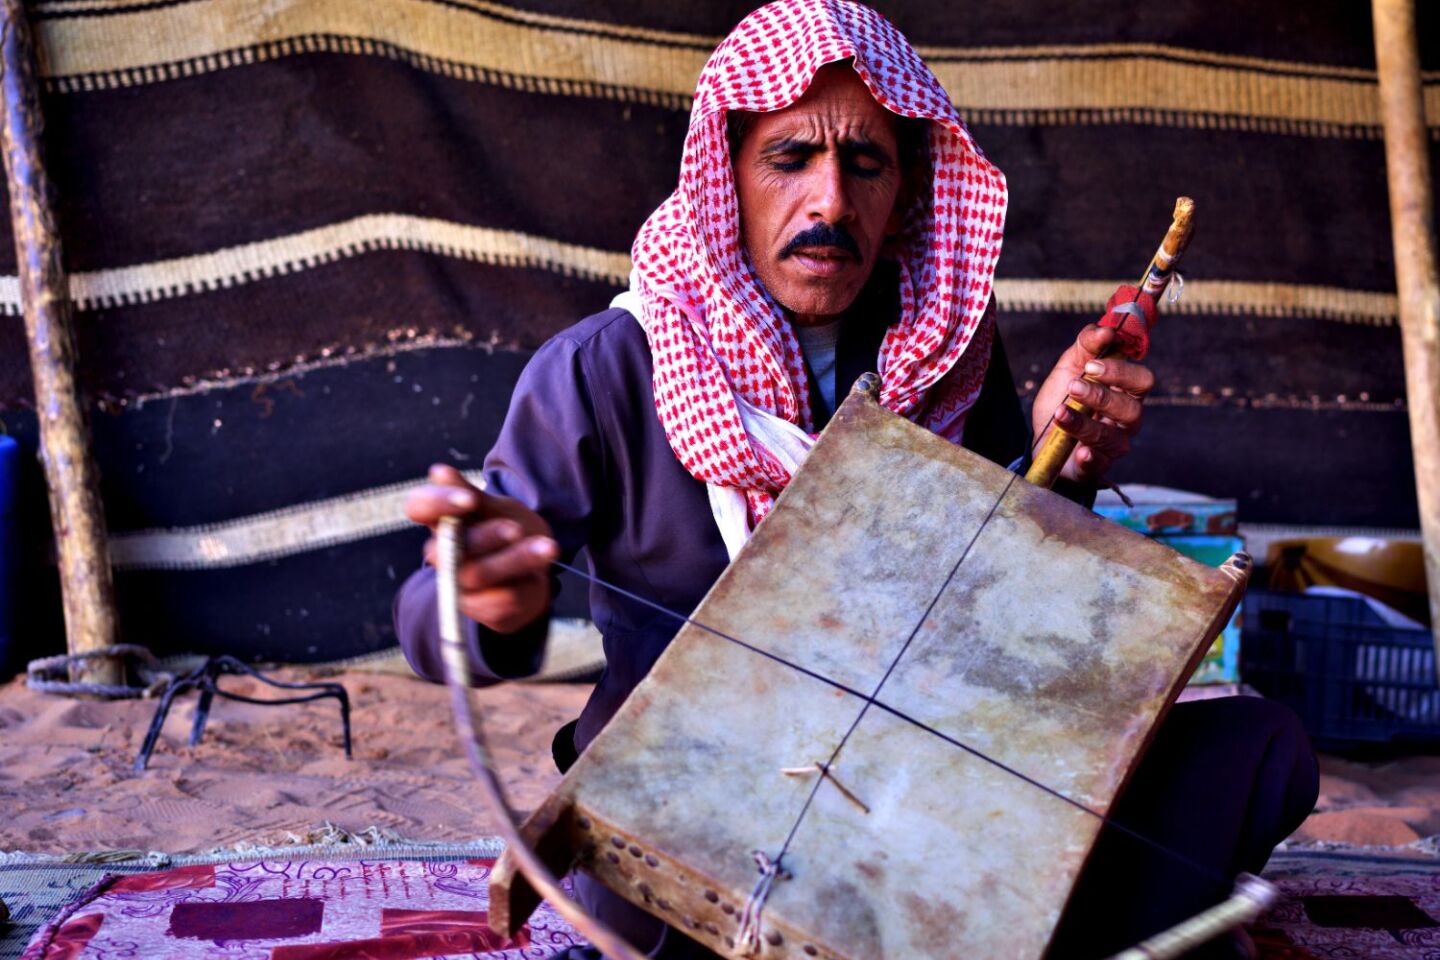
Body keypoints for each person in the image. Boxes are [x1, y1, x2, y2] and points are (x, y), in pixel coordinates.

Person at [395, 2, 1317, 957]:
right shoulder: (608, 366)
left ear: (905, 192)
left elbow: (998, 606)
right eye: (790, 159)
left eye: (865, 165)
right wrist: (485, 599)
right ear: (728, 179)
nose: (830, 202)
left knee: (1255, 752)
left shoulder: (948, 355)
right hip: (699, 805)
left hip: (925, 786)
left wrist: (1058, 460)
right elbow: (433, 622)